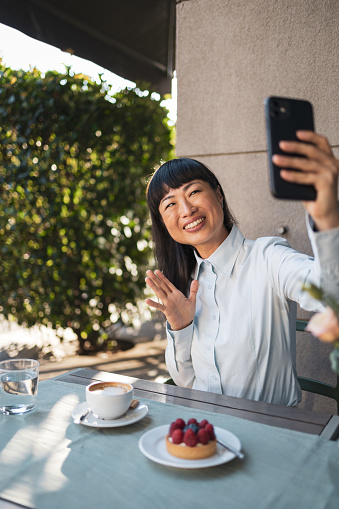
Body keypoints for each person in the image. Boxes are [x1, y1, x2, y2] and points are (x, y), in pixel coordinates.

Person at [145, 131, 339, 405]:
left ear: (219, 195)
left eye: (195, 192)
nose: (186, 209)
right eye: (170, 204)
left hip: (269, 433)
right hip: (209, 435)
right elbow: (186, 383)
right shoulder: (184, 285)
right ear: (164, 224)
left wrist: (327, 216)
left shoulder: (268, 258)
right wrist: (180, 327)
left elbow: (332, 292)